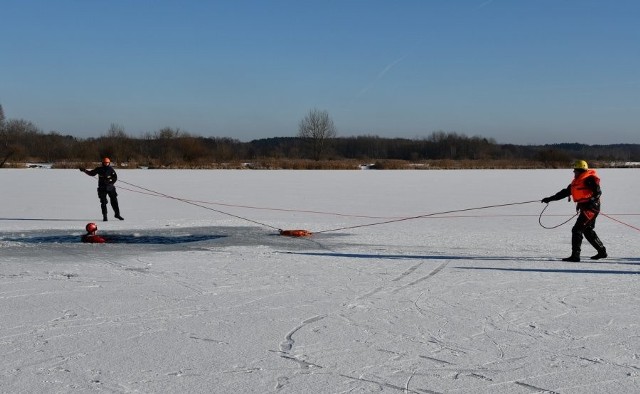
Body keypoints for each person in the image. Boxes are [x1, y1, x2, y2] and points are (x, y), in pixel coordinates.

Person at [541, 160, 607, 262]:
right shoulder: (576, 181)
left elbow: (598, 192)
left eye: (575, 170)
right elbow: (564, 193)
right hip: (586, 208)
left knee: (577, 229)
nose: (574, 172)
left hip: (591, 208)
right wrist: (549, 199)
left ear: (580, 170)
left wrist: (592, 201)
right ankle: (602, 251)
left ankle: (575, 256)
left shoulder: (589, 179)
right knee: (587, 230)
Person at [80, 157, 124, 221]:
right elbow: (92, 173)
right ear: (103, 163)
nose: (106, 164)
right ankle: (105, 216)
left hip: (110, 188)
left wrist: (111, 182)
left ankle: (117, 214)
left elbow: (115, 177)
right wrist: (85, 170)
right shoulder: (99, 169)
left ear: (109, 163)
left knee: (114, 201)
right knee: (103, 202)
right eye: (105, 163)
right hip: (102, 188)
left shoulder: (111, 169)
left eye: (107, 163)